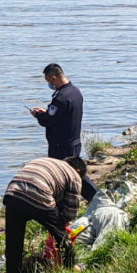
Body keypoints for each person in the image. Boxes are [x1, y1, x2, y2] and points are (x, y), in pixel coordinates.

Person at [3, 157, 86, 273]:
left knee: (13, 243)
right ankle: (72, 268)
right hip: (39, 191)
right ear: (78, 170)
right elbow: (71, 213)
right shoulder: (74, 175)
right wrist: (58, 223)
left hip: (12, 192)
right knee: (61, 234)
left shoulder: (47, 161)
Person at [30, 63, 99, 202]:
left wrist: (38, 115)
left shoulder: (60, 98)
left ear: (53, 78)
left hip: (60, 147)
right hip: (74, 142)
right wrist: (47, 112)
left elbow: (48, 121)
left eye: (48, 81)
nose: (49, 84)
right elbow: (61, 115)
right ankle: (96, 196)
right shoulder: (75, 92)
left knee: (61, 177)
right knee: (76, 173)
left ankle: (62, 208)